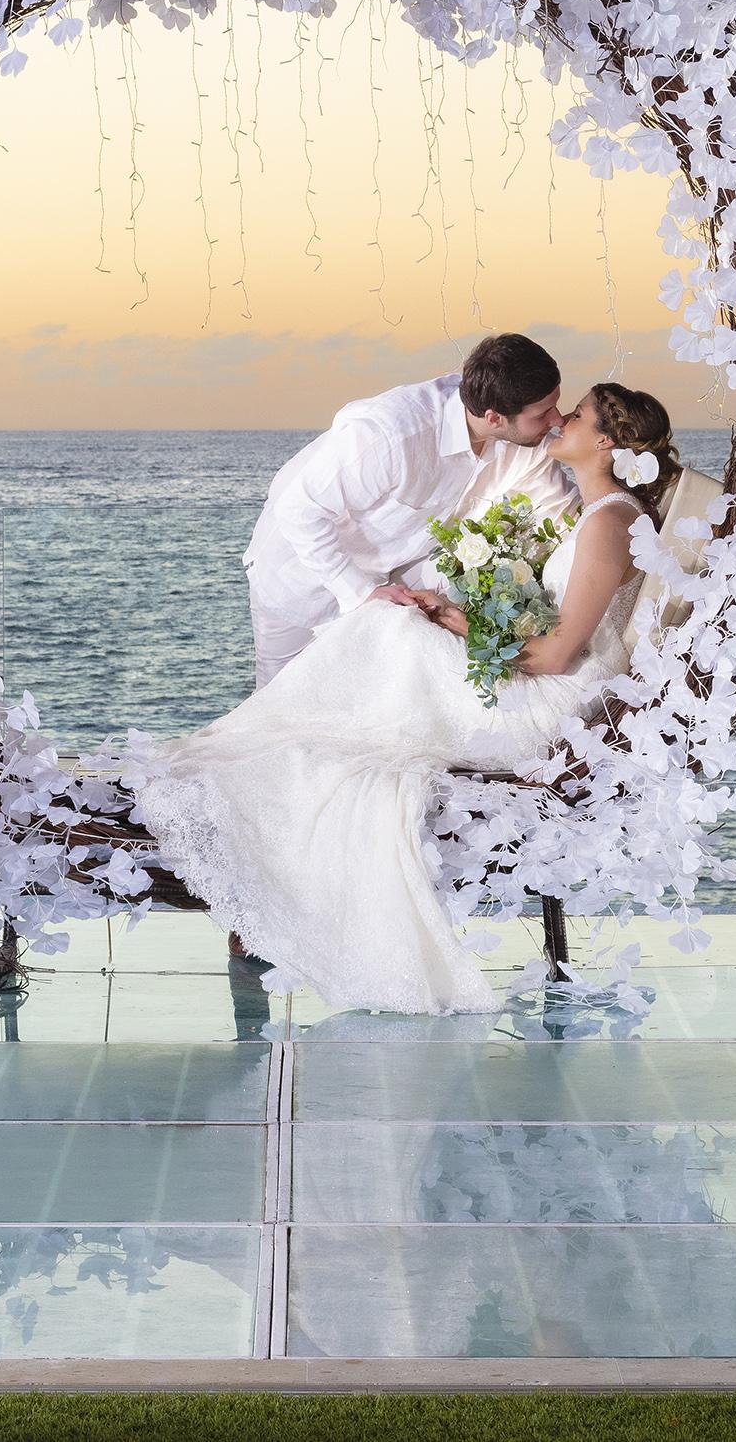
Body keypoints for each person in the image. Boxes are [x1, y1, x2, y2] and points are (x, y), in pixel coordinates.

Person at [138, 383, 683, 1015]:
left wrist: (458, 625)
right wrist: (455, 612)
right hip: (531, 674)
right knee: (391, 624)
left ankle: (265, 761)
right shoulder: (599, 513)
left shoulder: (610, 521)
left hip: (545, 700)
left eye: (577, 415)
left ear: (607, 443)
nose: (560, 420)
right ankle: (275, 753)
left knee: (388, 628)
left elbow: (560, 656)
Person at [241, 334, 570, 689]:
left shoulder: (523, 441)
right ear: (493, 417)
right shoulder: (392, 433)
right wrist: (362, 594)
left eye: (556, 404)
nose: (557, 420)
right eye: (542, 414)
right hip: (299, 579)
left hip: (393, 578)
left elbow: (566, 513)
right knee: (275, 701)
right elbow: (298, 510)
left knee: (358, 699)